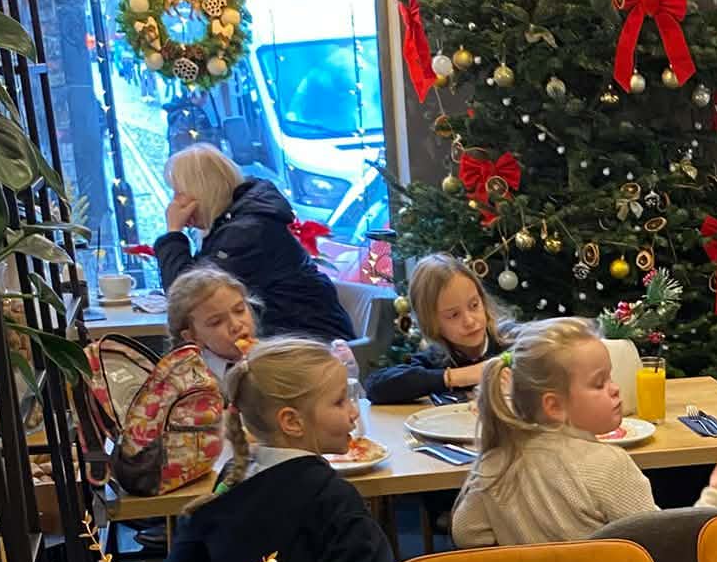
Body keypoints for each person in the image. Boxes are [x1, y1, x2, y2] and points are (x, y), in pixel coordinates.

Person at [153, 337, 392, 562]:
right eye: (339, 401)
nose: (353, 411)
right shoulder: (333, 498)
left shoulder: (232, 477)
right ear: (292, 422)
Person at [451, 317, 717, 548]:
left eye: (610, 377)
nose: (614, 388)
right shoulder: (607, 467)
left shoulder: (494, 464)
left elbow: (466, 533)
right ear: (554, 406)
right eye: (599, 383)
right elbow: (666, 547)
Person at [156, 145, 353, 346]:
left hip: (307, 348)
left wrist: (174, 231)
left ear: (201, 192)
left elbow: (187, 297)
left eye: (178, 193)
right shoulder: (243, 219)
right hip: (293, 337)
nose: (174, 203)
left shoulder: (246, 233)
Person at [364, 254, 507, 404]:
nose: (469, 321)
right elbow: (374, 387)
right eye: (453, 315)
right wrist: (459, 376)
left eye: (474, 305)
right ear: (432, 323)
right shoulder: (436, 358)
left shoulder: (511, 340)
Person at [164, 267, 257, 386]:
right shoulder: (190, 384)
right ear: (192, 337)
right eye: (216, 322)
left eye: (240, 310)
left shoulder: (272, 358)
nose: (236, 325)